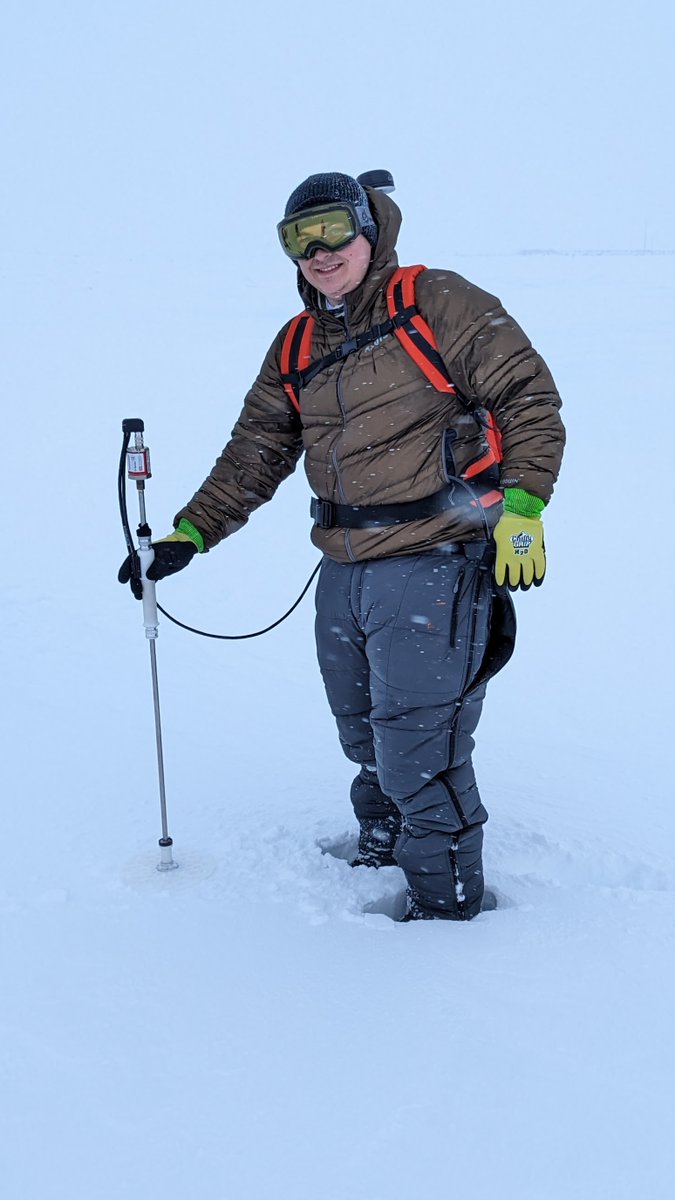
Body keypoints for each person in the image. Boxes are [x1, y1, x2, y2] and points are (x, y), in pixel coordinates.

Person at [119, 171, 565, 921]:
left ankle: (445, 906)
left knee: (420, 745)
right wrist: (190, 534)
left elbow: (528, 395)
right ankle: (382, 840)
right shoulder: (295, 343)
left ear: (369, 231)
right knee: (360, 724)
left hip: (433, 556)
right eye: (299, 238)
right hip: (344, 562)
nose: (319, 251)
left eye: (332, 230)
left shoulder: (438, 300)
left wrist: (522, 505)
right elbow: (254, 451)